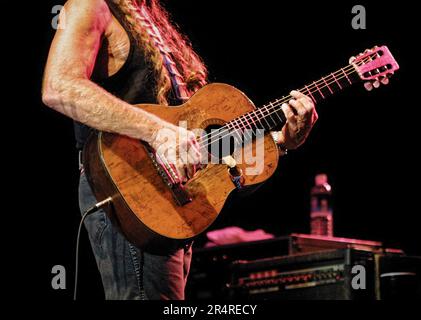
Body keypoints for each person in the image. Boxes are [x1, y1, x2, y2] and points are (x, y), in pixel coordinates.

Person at [42, 0, 318, 300]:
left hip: (173, 205)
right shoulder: (91, 4)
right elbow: (59, 87)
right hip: (129, 188)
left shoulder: (152, 19)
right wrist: (158, 132)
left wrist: (282, 140)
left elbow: (198, 147)